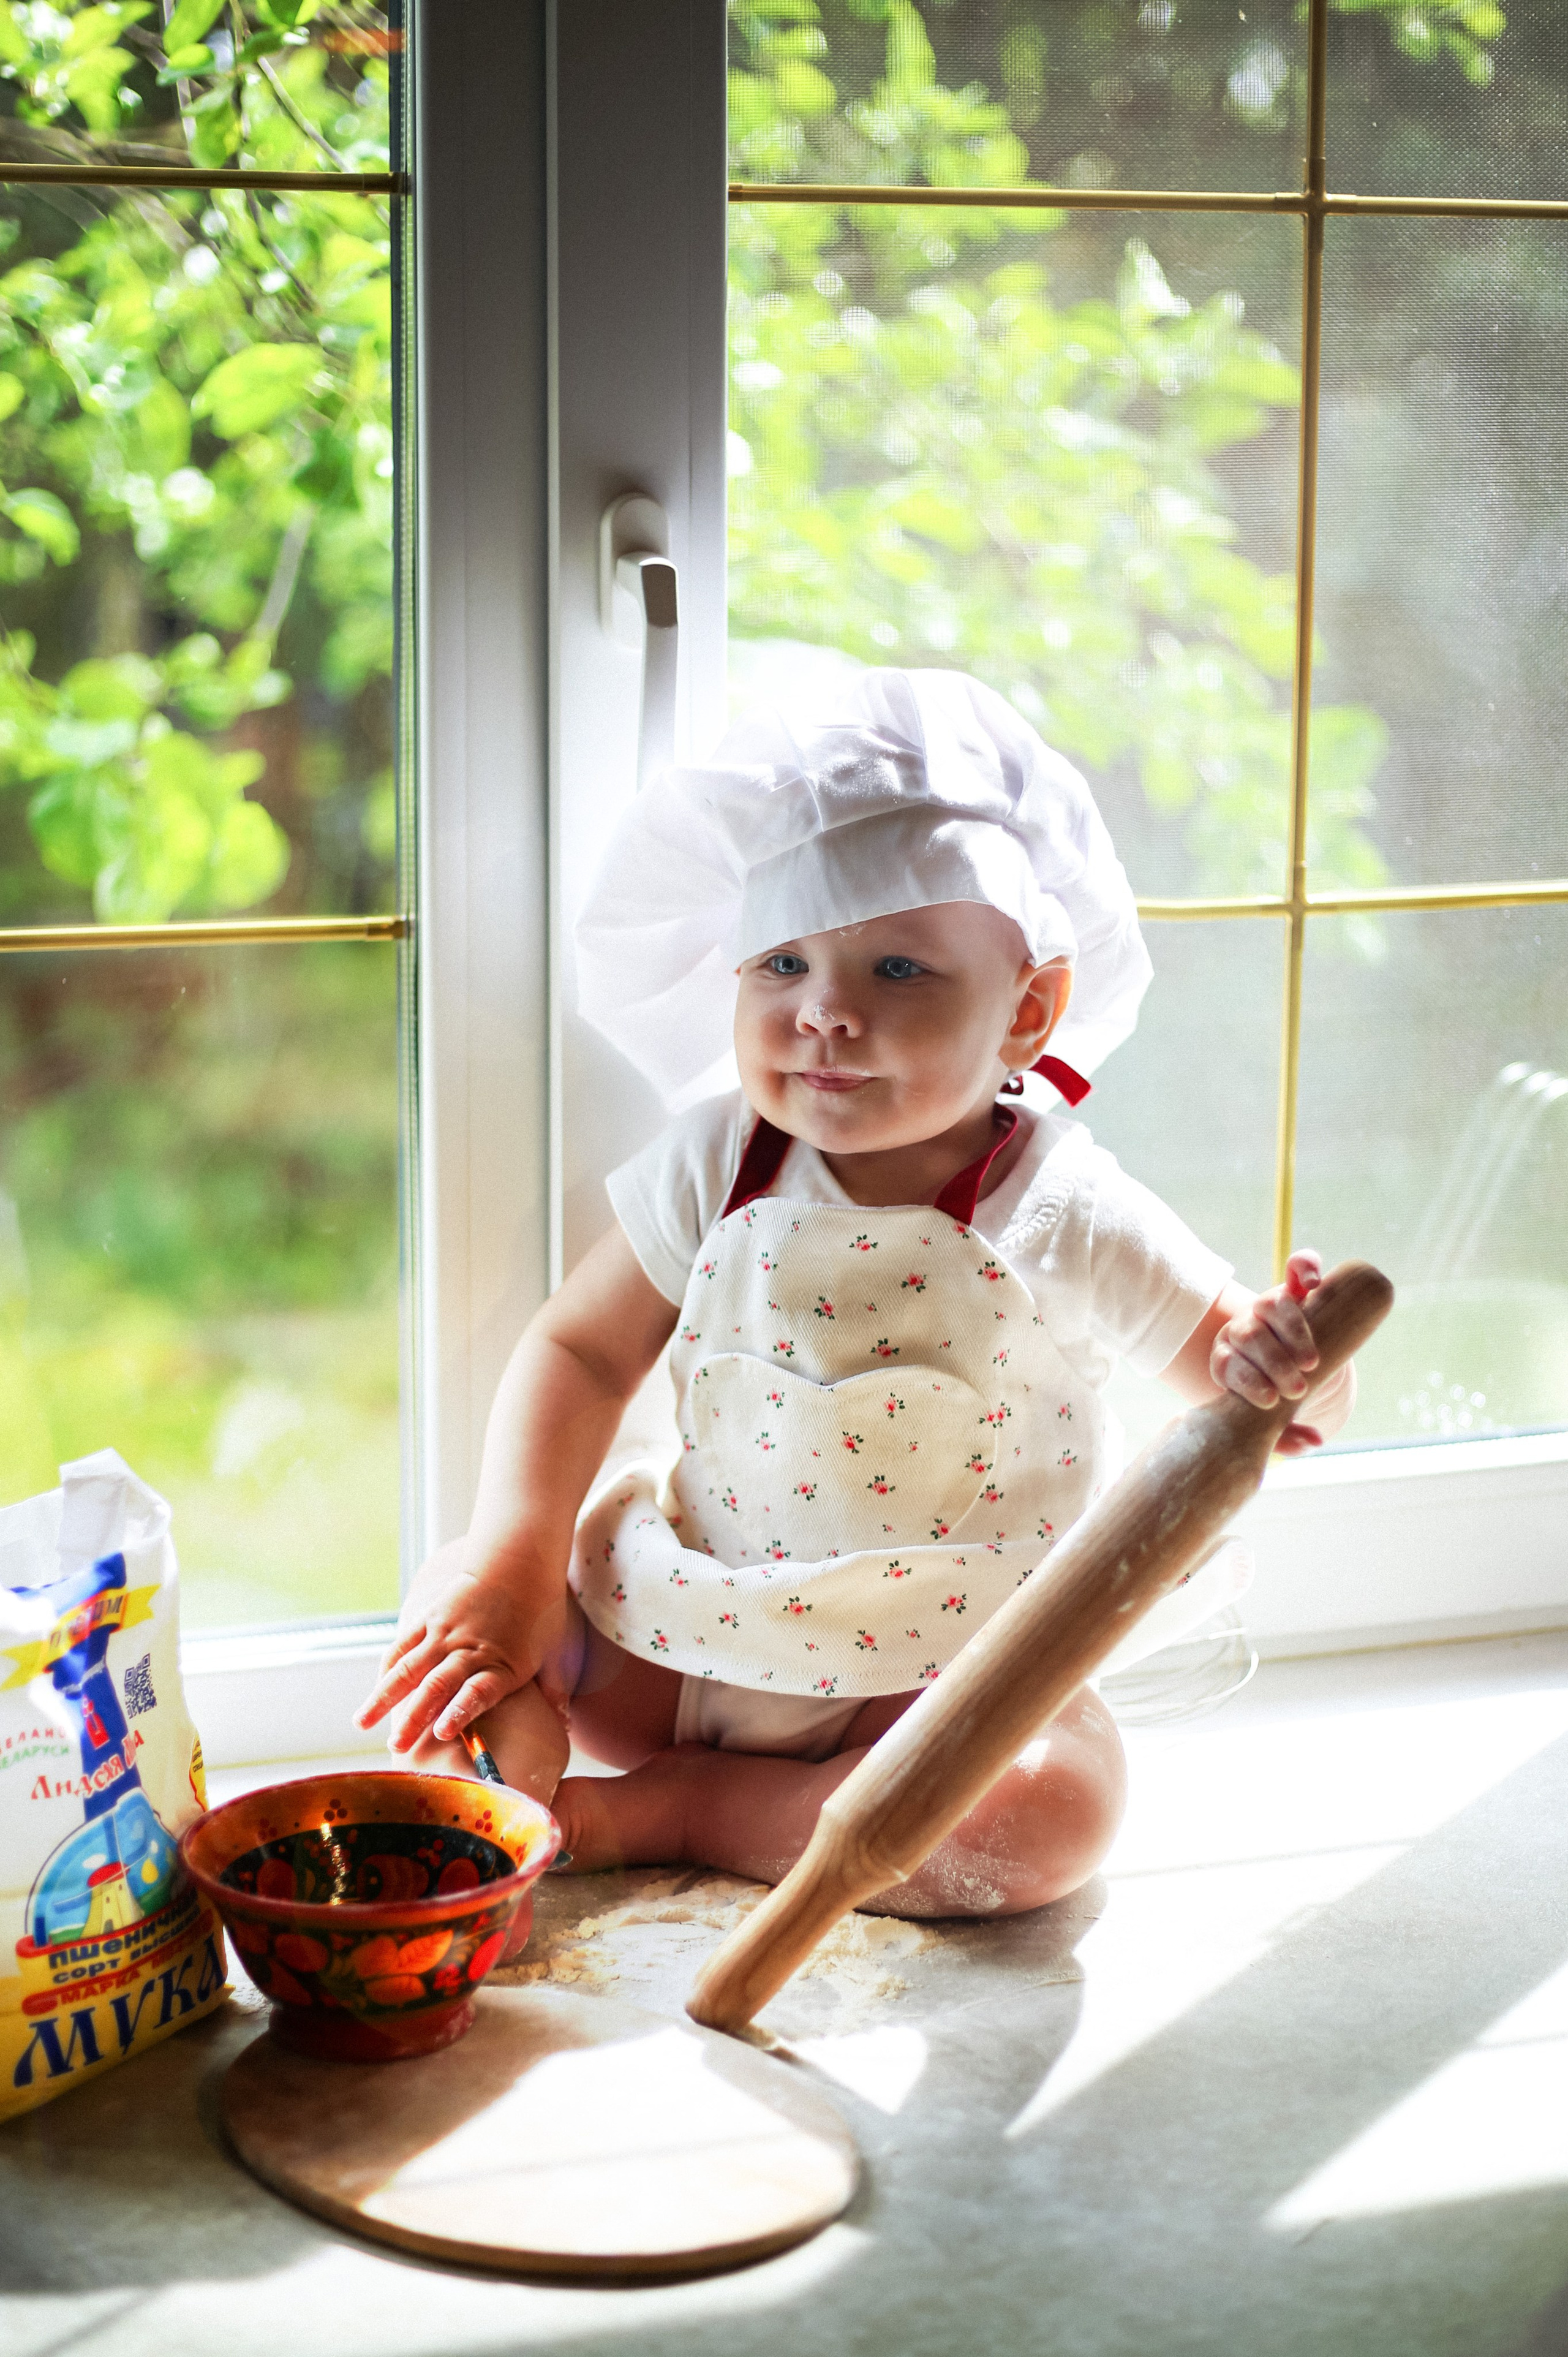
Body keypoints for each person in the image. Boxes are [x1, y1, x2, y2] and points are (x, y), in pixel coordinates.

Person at [357, 670, 1351, 1918]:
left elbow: (1244, 1386)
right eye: (781, 962)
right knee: (454, 1615)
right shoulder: (716, 1159)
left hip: (927, 1676)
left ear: (1027, 1011)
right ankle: (518, 1797)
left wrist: (1283, 1354)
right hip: (676, 1642)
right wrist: (511, 1564)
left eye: (895, 966)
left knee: (1050, 1813)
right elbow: (581, 1349)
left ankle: (673, 1812)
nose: (823, 1012)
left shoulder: (1057, 1203)